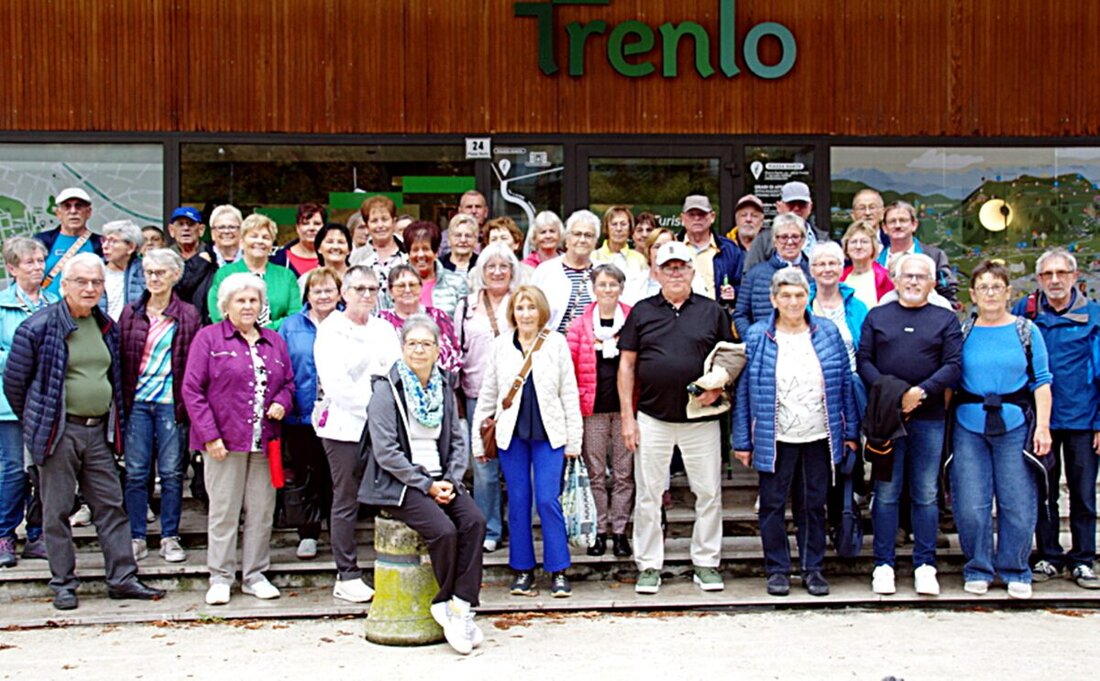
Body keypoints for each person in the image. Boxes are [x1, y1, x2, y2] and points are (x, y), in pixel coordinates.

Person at [3, 252, 165, 610]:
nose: (90, 288)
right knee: (56, 511)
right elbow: (15, 383)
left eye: (96, 282)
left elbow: (114, 377)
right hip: (59, 433)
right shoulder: (38, 327)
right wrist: (38, 422)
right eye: (82, 281)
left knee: (111, 506)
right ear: (64, 285)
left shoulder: (105, 325)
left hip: (98, 433)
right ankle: (63, 583)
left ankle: (122, 578)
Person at [362, 314, 487, 655]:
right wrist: (426, 485)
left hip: (441, 478)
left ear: (437, 350)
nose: (419, 350)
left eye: (426, 344)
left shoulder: (443, 387)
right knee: (444, 531)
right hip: (401, 483)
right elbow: (386, 452)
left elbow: (458, 440)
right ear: (402, 348)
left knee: (474, 521)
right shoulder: (386, 390)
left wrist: (449, 480)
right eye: (412, 343)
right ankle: (443, 601)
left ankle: (461, 605)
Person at [734, 267, 859, 597]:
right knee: (772, 506)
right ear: (774, 299)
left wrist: (850, 432)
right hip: (775, 437)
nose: (793, 301)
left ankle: (812, 568)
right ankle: (777, 570)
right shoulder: (758, 336)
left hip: (818, 435)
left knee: (813, 505)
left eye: (799, 294)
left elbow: (844, 384)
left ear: (808, 297)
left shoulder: (827, 332)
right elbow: (744, 391)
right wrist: (743, 440)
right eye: (786, 295)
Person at [618, 241, 735, 595]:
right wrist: (627, 418)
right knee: (649, 495)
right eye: (668, 267)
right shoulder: (641, 312)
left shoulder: (712, 311)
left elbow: (730, 357)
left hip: (701, 419)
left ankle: (706, 562)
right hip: (652, 417)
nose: (675, 273)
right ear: (656, 273)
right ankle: (649, 565)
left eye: (681, 266)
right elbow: (626, 365)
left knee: (708, 493)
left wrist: (719, 387)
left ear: (692, 271)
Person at [183, 273, 295, 606]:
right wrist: (210, 436)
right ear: (226, 305)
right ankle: (220, 576)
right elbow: (192, 390)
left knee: (262, 511)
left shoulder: (274, 341)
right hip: (223, 442)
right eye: (240, 300)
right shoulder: (208, 338)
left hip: (265, 442)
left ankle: (255, 575)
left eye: (253, 300)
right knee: (224, 511)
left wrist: (282, 402)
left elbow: (288, 383)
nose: (248, 306)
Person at [858, 253, 962, 597]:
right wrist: (894, 394)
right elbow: (864, 360)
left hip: (929, 418)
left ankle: (925, 565)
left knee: (926, 493)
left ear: (932, 283)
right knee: (886, 492)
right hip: (887, 419)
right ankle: (883, 564)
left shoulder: (945, 319)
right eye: (908, 276)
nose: (914, 281)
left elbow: (953, 364)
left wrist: (921, 392)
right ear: (896, 280)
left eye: (921, 277)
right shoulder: (877, 316)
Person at [471, 286, 582, 598]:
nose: (526, 314)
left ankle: (558, 569)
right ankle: (522, 569)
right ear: (512, 313)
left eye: (532, 307)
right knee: (518, 501)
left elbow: (569, 393)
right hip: (512, 436)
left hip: (549, 435)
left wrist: (574, 440)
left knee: (547, 500)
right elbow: (488, 394)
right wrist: (479, 443)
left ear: (541, 311)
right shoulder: (500, 346)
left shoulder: (556, 343)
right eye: (520, 308)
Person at [950, 261, 1052, 599]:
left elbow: (1042, 381)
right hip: (969, 424)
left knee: (1017, 500)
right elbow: (950, 378)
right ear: (973, 294)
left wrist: (1043, 427)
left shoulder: (1026, 331)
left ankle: (1015, 568)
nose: (990, 293)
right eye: (983, 287)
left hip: (1015, 424)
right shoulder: (963, 332)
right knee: (971, 501)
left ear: (1008, 292)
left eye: (996, 287)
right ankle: (978, 566)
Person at [1013, 248, 1100, 589]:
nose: (1055, 280)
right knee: (1043, 491)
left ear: (1075, 276)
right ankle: (1048, 555)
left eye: (1061, 273)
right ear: (1038, 279)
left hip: (1083, 418)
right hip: (1039, 420)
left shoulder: (1094, 316)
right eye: (1047, 274)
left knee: (1083, 493)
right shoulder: (1025, 311)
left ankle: (1083, 559)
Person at [313, 266, 401, 602]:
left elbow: (395, 372)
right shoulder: (331, 329)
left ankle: (396, 563)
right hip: (345, 427)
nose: (366, 295)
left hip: (384, 427)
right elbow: (337, 384)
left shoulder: (384, 328)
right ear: (344, 292)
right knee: (346, 498)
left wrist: (387, 419)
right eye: (359, 289)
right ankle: (346, 573)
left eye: (372, 289)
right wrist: (375, 414)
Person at [119, 248, 201, 564]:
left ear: (175, 276)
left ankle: (170, 537)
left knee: (171, 472)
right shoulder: (131, 313)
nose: (153, 278)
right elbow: (121, 359)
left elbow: (193, 365)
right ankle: (137, 536)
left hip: (170, 402)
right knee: (136, 472)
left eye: (160, 272)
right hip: (137, 402)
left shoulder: (189, 315)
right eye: (149, 272)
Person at [454, 243, 519, 553]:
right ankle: (489, 528)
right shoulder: (466, 306)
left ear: (512, 271)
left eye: (503, 266)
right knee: (483, 465)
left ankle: (518, 527)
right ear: (481, 271)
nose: (497, 272)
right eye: (491, 266)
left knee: (515, 463)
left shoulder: (520, 301)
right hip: (477, 394)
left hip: (515, 396)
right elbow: (457, 350)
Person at [566, 264, 634, 557]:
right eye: (602, 284)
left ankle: (619, 531)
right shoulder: (579, 325)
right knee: (595, 472)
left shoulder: (632, 319)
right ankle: (598, 530)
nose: (608, 289)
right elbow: (569, 368)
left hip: (625, 409)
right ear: (593, 288)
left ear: (621, 288)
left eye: (613, 284)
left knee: (623, 473)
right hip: (591, 409)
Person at [0, 237, 58, 567]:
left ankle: (38, 534)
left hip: (47, 401)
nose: (38, 267)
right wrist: (24, 357)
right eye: (29, 262)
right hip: (9, 402)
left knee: (43, 471)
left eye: (40, 261)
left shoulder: (53, 302)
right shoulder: (2, 305)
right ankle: (5, 534)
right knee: (12, 470)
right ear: (12, 268)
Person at [278, 267, 342, 562]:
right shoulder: (291, 326)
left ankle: (338, 532)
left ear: (339, 294)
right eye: (317, 290)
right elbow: (281, 367)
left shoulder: (348, 324)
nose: (323, 295)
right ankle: (308, 533)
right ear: (307, 295)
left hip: (340, 413)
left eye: (329, 290)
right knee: (306, 473)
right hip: (302, 413)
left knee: (337, 475)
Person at [208, 214, 302, 330]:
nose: (260, 241)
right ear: (241, 242)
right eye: (254, 236)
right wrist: (246, 333)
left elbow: (295, 316)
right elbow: (218, 314)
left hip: (277, 337)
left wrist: (267, 330)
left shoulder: (286, 276)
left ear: (272, 244)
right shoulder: (225, 274)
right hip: (234, 338)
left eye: (266, 237)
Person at [734, 213, 811, 340]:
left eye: (795, 236)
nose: (790, 242)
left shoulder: (813, 272)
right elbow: (741, 315)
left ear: (803, 240)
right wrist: (753, 341)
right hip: (764, 346)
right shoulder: (755, 274)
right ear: (774, 241)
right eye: (783, 237)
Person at [378, 265, 462, 375]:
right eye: (401, 286)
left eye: (412, 285)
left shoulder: (438, 317)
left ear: (421, 287)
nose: (407, 290)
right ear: (390, 291)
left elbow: (454, 356)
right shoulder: (382, 320)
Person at [876, 201, 958, 306]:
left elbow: (948, 293)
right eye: (892, 221)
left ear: (914, 224)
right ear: (884, 228)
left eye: (903, 220)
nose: (897, 225)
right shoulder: (875, 260)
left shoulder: (935, 256)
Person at [532, 210, 598, 333]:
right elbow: (532, 309)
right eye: (577, 234)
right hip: (553, 342)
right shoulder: (545, 271)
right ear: (567, 239)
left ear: (595, 242)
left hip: (592, 342)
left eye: (588, 235)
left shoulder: (602, 272)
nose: (582, 240)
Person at [743, 181, 827, 271]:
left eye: (802, 204)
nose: (796, 208)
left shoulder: (823, 240)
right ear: (779, 207)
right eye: (791, 204)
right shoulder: (763, 241)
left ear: (810, 207)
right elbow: (749, 274)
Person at [35, 187, 102, 297]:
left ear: (88, 212)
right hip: (47, 306)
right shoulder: (41, 241)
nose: (73, 211)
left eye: (79, 206)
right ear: (58, 213)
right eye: (67, 206)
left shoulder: (100, 244)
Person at [679, 194, 742, 308]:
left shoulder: (729, 249)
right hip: (678, 313)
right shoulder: (672, 246)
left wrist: (733, 292)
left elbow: (742, 285)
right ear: (682, 219)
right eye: (691, 214)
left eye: (702, 214)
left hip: (716, 313)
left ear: (712, 217)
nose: (696, 218)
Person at [622, 227, 706, 305]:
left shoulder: (695, 281)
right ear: (648, 251)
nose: (663, 250)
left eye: (667, 245)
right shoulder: (632, 282)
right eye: (657, 246)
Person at [348, 195, 406, 308]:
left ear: (394, 222)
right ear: (367, 226)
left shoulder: (407, 252)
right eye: (374, 221)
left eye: (384, 219)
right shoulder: (357, 257)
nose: (380, 225)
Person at [403, 221, 468, 318]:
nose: (420, 255)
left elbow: (465, 320)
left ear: (436, 252)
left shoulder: (457, 283)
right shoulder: (397, 284)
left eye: (425, 249)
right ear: (408, 254)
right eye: (415, 250)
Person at [167, 207, 216, 316]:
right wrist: (200, 262)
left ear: (201, 230)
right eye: (180, 224)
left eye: (191, 224)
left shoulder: (213, 255)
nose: (186, 228)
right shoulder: (165, 259)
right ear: (171, 230)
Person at [840, 219, 894, 310]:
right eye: (853, 242)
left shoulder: (885, 278)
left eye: (864, 242)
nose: (858, 246)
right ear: (846, 247)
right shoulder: (840, 277)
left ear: (873, 246)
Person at [98, 219, 146, 321]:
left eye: (113, 241)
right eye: (104, 240)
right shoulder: (94, 270)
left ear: (131, 247)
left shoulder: (145, 273)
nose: (104, 246)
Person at [593, 206, 647, 281]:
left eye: (623, 224)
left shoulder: (639, 259)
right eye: (614, 224)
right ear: (607, 228)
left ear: (630, 228)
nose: (619, 229)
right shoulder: (593, 257)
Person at [271, 203, 325, 276]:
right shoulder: (278, 259)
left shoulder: (333, 257)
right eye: (305, 223)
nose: (311, 228)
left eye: (317, 224)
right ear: (297, 228)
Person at [297, 223, 351, 294]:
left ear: (349, 249)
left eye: (341, 242)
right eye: (330, 242)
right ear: (319, 248)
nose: (335, 247)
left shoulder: (359, 276)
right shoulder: (307, 279)